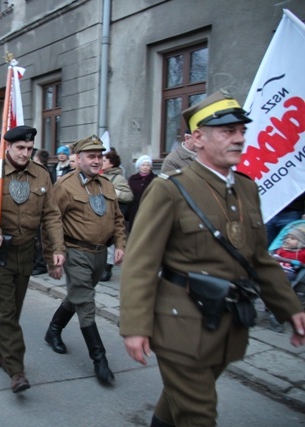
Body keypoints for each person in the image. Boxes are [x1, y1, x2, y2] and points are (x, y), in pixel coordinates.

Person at [119, 89, 305, 427]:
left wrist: (290, 307)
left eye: (241, 131)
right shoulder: (170, 189)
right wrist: (134, 326)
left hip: (228, 323)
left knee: (180, 400)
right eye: (228, 132)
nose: (239, 139)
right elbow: (140, 263)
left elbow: (259, 258)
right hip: (180, 324)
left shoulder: (246, 188)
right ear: (199, 139)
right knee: (198, 415)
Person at [0, 125, 65, 393]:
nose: (25, 153)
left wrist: (56, 251)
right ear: (8, 148)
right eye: (20, 148)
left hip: (26, 252)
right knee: (5, 312)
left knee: (13, 308)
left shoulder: (41, 175)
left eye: (29, 149)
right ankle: (17, 370)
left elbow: (50, 215)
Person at [43, 135, 126, 386]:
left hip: (100, 255)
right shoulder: (65, 186)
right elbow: (51, 221)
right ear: (78, 159)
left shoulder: (107, 184)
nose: (97, 160)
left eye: (99, 156)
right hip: (75, 252)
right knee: (86, 302)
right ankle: (99, 360)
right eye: (91, 156)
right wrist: (52, 258)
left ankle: (53, 330)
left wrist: (120, 244)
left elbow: (118, 219)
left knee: (78, 296)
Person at [99, 149, 133, 281]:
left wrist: (113, 192)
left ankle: (107, 269)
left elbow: (128, 196)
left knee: (110, 244)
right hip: (98, 214)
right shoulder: (99, 175)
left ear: (112, 163)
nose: (101, 162)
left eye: (105, 160)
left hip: (111, 215)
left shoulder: (118, 178)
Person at [31, 148, 52, 276]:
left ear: (37, 159)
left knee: (39, 240)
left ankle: (41, 264)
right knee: (35, 239)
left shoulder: (43, 173)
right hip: (36, 210)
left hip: (41, 211)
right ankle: (36, 263)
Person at [125, 154, 156, 232]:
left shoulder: (155, 179)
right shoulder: (133, 179)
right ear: (139, 166)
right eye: (143, 165)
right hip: (134, 209)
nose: (145, 167)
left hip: (149, 209)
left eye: (147, 165)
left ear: (150, 167)